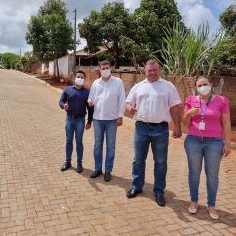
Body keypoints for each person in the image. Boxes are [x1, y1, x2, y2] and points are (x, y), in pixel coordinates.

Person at [126, 60, 182, 207]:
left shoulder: (168, 87)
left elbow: (175, 108)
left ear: (160, 70)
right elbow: (128, 103)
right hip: (141, 128)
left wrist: (177, 127)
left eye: (155, 70)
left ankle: (159, 191)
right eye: (149, 70)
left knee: (161, 162)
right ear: (145, 71)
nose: (152, 73)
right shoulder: (138, 87)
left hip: (161, 129)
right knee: (138, 160)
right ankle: (136, 186)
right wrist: (130, 108)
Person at [182, 76, 231, 220]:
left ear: (211, 84)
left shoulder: (221, 101)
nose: (203, 87)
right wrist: (189, 113)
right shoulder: (191, 100)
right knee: (194, 173)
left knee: (212, 175)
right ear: (196, 87)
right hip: (193, 141)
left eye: (206, 84)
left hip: (214, 142)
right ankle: (194, 202)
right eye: (200, 85)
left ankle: (211, 205)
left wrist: (227, 143)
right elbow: (185, 122)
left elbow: (226, 123)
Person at [87, 60, 126, 182]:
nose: (105, 70)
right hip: (98, 119)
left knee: (111, 146)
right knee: (97, 145)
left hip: (112, 120)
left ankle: (108, 170)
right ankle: (98, 169)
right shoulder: (96, 83)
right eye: (102, 68)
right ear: (99, 69)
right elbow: (91, 97)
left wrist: (120, 116)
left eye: (107, 68)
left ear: (111, 68)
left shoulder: (118, 82)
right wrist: (90, 102)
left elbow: (122, 100)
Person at [59, 70, 94, 173]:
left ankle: (79, 163)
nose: (80, 78)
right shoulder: (68, 90)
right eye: (78, 76)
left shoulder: (87, 92)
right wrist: (63, 105)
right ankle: (68, 162)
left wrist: (89, 121)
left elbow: (90, 108)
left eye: (82, 77)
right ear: (75, 78)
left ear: (84, 79)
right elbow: (61, 101)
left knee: (79, 142)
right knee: (68, 141)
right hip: (69, 119)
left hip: (80, 120)